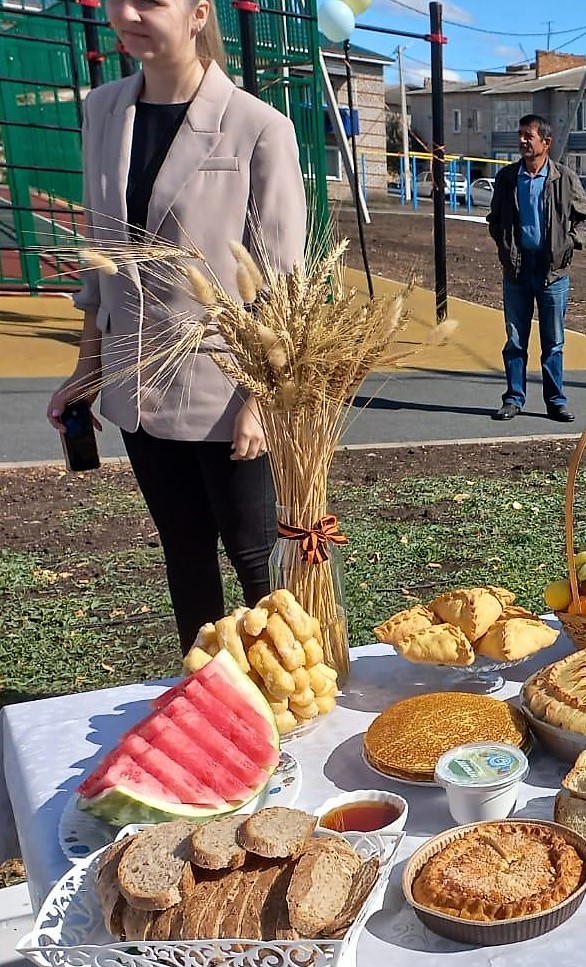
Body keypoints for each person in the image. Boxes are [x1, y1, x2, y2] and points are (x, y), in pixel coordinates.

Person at [45, 0, 307, 652]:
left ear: (197, 14)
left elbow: (283, 282)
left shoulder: (258, 126)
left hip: (227, 392)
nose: (129, 12)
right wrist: (87, 367)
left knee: (254, 558)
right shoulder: (102, 109)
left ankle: (286, 691)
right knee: (183, 551)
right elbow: (99, 254)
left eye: (152, 1)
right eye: (119, 0)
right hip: (137, 389)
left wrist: (260, 396)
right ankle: (205, 693)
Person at [486, 114, 586, 423]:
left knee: (553, 343)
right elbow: (495, 219)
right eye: (520, 135)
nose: (522, 140)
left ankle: (556, 402)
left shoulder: (564, 178)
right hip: (517, 271)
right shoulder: (508, 178)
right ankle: (513, 399)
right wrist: (504, 247)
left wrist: (571, 242)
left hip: (553, 272)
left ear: (546, 143)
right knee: (516, 340)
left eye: (528, 136)